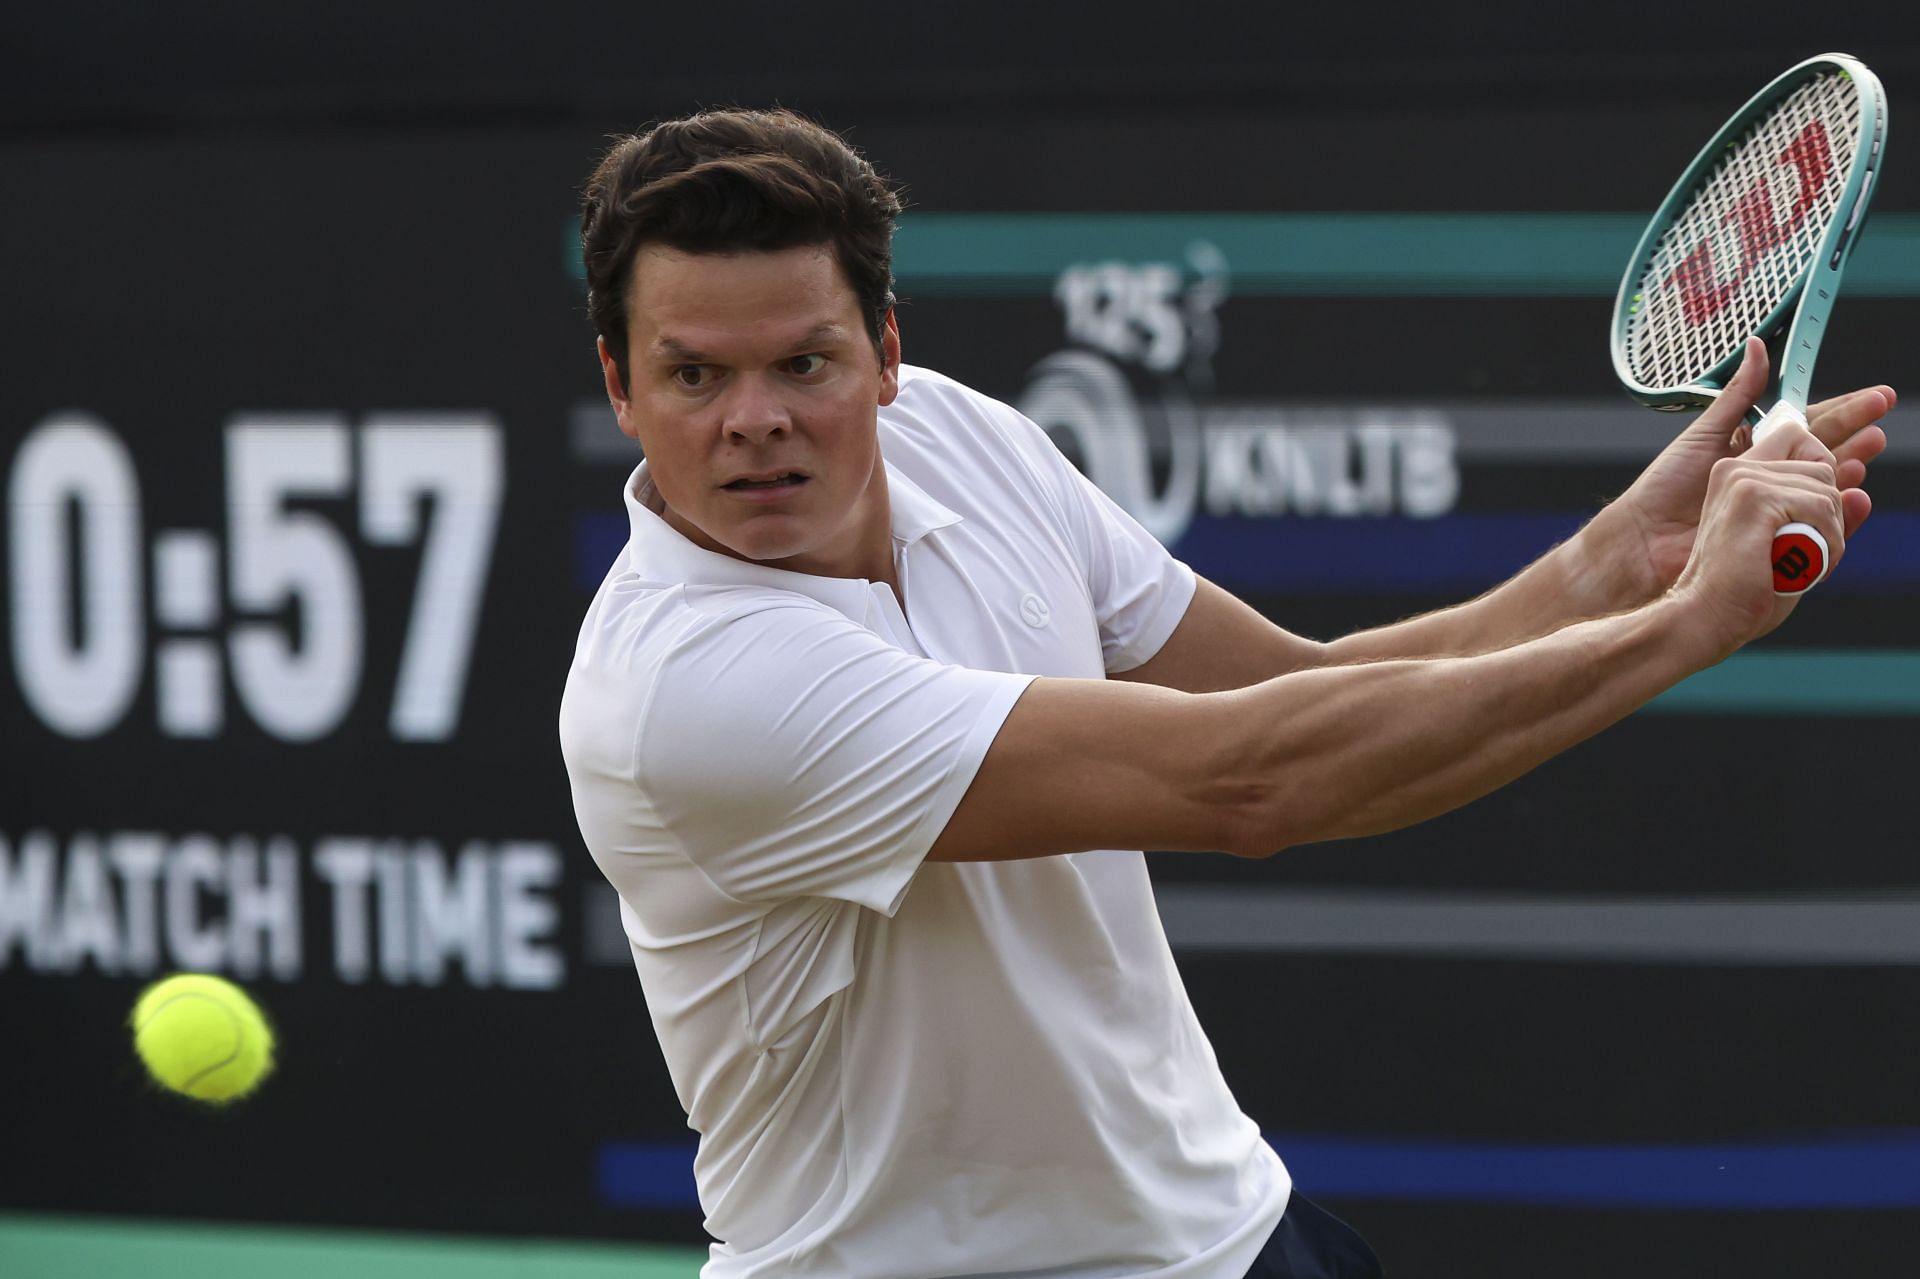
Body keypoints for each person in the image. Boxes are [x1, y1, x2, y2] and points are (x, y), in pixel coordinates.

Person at [558, 108, 1892, 1278]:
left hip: (1235, 1239)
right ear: (622, 384)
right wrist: (1691, 627)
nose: (754, 418)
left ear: (886, 352)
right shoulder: (691, 692)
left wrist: (1617, 566)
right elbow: (1253, 779)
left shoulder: (960, 437)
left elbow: (1300, 691)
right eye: (694, 374)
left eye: (805, 362)